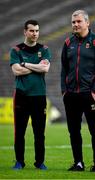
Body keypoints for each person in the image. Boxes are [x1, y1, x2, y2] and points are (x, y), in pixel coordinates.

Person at [61, 10, 95, 172]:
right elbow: (64, 69)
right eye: (73, 22)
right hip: (71, 95)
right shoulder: (68, 43)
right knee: (74, 131)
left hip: (89, 94)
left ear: (87, 23)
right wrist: (64, 91)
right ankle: (78, 163)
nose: (75, 24)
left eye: (79, 21)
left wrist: (94, 92)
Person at [10, 20, 51, 170]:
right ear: (25, 32)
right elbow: (16, 71)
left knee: (39, 132)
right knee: (19, 131)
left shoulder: (44, 49)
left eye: (37, 31)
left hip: (39, 96)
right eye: (32, 31)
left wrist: (25, 64)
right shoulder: (16, 50)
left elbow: (45, 69)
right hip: (21, 95)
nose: (35, 34)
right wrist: (37, 67)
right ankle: (19, 161)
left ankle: (40, 162)